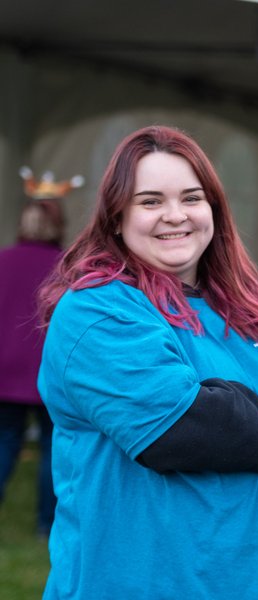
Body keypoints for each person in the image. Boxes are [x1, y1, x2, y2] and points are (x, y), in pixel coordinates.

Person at [36, 125, 258, 599]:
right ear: (116, 217)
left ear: (213, 209)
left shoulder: (253, 310)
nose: (176, 216)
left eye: (192, 198)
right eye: (150, 201)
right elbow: (179, 431)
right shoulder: (97, 310)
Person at [0, 168, 79, 538]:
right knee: (53, 447)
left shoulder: (3, 261)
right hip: (50, 372)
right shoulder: (68, 269)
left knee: (4, 441)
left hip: (5, 370)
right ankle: (47, 524)